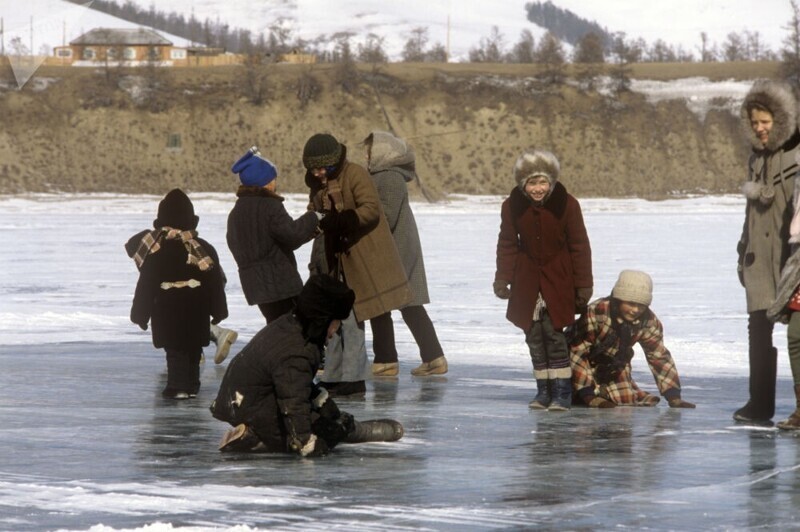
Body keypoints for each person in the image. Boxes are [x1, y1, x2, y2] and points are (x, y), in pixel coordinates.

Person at [210, 275, 404, 455]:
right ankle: (253, 439)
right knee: (324, 430)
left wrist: (322, 401)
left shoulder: (291, 325)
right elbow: (293, 401)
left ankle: (258, 432)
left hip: (243, 399)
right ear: (322, 319)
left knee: (324, 420)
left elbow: (293, 384)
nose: (336, 330)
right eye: (336, 322)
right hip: (250, 405)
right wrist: (306, 442)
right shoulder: (298, 349)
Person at [303, 133, 413, 396]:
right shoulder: (319, 185)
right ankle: (333, 376)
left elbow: (371, 209)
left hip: (361, 259)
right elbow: (314, 212)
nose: (319, 173)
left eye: (324, 168)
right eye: (314, 169)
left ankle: (352, 380)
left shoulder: (355, 174)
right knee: (336, 319)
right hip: (335, 261)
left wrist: (344, 220)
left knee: (353, 319)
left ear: (333, 162)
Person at [494, 149, 593, 410]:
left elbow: (579, 245)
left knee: (554, 335)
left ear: (551, 182)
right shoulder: (511, 206)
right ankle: (543, 392)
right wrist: (502, 279)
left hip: (558, 279)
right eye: (532, 183)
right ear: (522, 184)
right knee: (534, 336)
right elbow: (507, 244)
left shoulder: (568, 204)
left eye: (542, 182)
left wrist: (583, 285)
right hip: (526, 281)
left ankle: (561, 393)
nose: (537, 189)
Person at [734, 79, 800, 425]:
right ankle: (759, 403)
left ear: (781, 118)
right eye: (754, 122)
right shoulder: (756, 159)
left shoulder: (797, 153)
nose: (760, 129)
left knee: (798, 332)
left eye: (765, 121)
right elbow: (750, 214)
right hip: (760, 259)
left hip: (791, 260)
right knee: (757, 330)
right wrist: (742, 251)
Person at [130, 189, 229, 399]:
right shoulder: (203, 248)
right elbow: (215, 282)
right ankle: (192, 385)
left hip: (167, 308)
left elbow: (146, 284)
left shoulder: (155, 250)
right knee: (192, 348)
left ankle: (177, 387)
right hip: (196, 308)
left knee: (174, 350)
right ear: (191, 220)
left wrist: (140, 314)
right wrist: (219, 310)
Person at [363, 130, 447, 377]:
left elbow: (384, 217)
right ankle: (431, 358)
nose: (365, 156)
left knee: (384, 302)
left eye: (369, 151)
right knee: (405, 304)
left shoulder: (387, 177)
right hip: (396, 249)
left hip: (393, 251)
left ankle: (387, 360)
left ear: (381, 153)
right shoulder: (387, 176)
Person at [569, 270, 695, 409]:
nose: (635, 310)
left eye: (641, 305)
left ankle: (600, 390)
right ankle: (584, 392)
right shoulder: (597, 311)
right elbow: (577, 350)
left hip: (613, 364)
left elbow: (658, 356)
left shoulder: (649, 321)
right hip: (577, 361)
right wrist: (588, 396)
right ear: (618, 300)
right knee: (577, 393)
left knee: (625, 398)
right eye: (630, 303)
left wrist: (673, 396)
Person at [227, 146, 321, 323]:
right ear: (266, 182)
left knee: (276, 330)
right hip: (280, 284)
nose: (275, 182)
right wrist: (314, 217)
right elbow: (292, 235)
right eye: (273, 178)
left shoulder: (236, 212)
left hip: (254, 286)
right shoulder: (270, 206)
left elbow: (234, 243)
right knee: (296, 329)